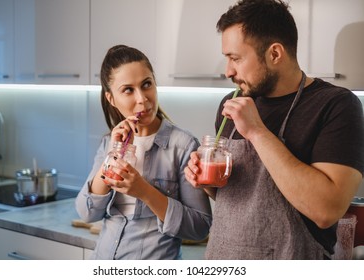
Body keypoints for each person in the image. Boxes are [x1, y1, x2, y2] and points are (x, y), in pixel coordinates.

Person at [184, 0, 364, 259]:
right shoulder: (232, 102)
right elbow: (233, 196)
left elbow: (326, 210)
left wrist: (257, 132)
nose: (228, 71)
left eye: (235, 58)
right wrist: (205, 179)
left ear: (275, 54)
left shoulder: (336, 105)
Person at [75, 45, 212, 260]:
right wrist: (112, 154)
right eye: (128, 90)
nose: (142, 99)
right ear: (111, 99)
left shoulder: (183, 146)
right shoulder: (109, 143)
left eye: (146, 84)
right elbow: (87, 212)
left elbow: (200, 227)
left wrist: (144, 192)